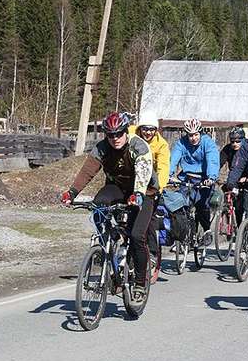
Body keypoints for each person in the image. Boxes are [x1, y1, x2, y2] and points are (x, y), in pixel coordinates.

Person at [61, 112, 156, 304]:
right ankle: (109, 245)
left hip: (145, 192)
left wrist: (138, 194)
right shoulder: (102, 148)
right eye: (110, 135)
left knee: (137, 236)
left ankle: (139, 282)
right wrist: (71, 193)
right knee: (98, 206)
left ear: (125, 132)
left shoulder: (139, 146)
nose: (115, 139)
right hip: (117, 188)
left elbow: (143, 174)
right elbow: (87, 171)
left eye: (119, 134)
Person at [130, 110, 171, 258]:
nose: (148, 132)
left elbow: (163, 167)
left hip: (151, 184)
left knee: (150, 217)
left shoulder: (161, 145)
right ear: (139, 128)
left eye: (152, 129)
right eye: (145, 129)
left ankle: (153, 253)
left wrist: (159, 187)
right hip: (132, 178)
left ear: (156, 130)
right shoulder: (131, 134)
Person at [169, 118, 220, 236]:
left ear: (200, 133)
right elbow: (173, 159)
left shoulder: (208, 143)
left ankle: (207, 230)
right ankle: (184, 235)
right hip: (187, 178)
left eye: (196, 134)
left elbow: (212, 160)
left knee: (202, 206)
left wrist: (211, 177)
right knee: (182, 205)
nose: (193, 138)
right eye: (190, 135)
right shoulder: (181, 143)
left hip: (204, 178)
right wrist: (169, 175)